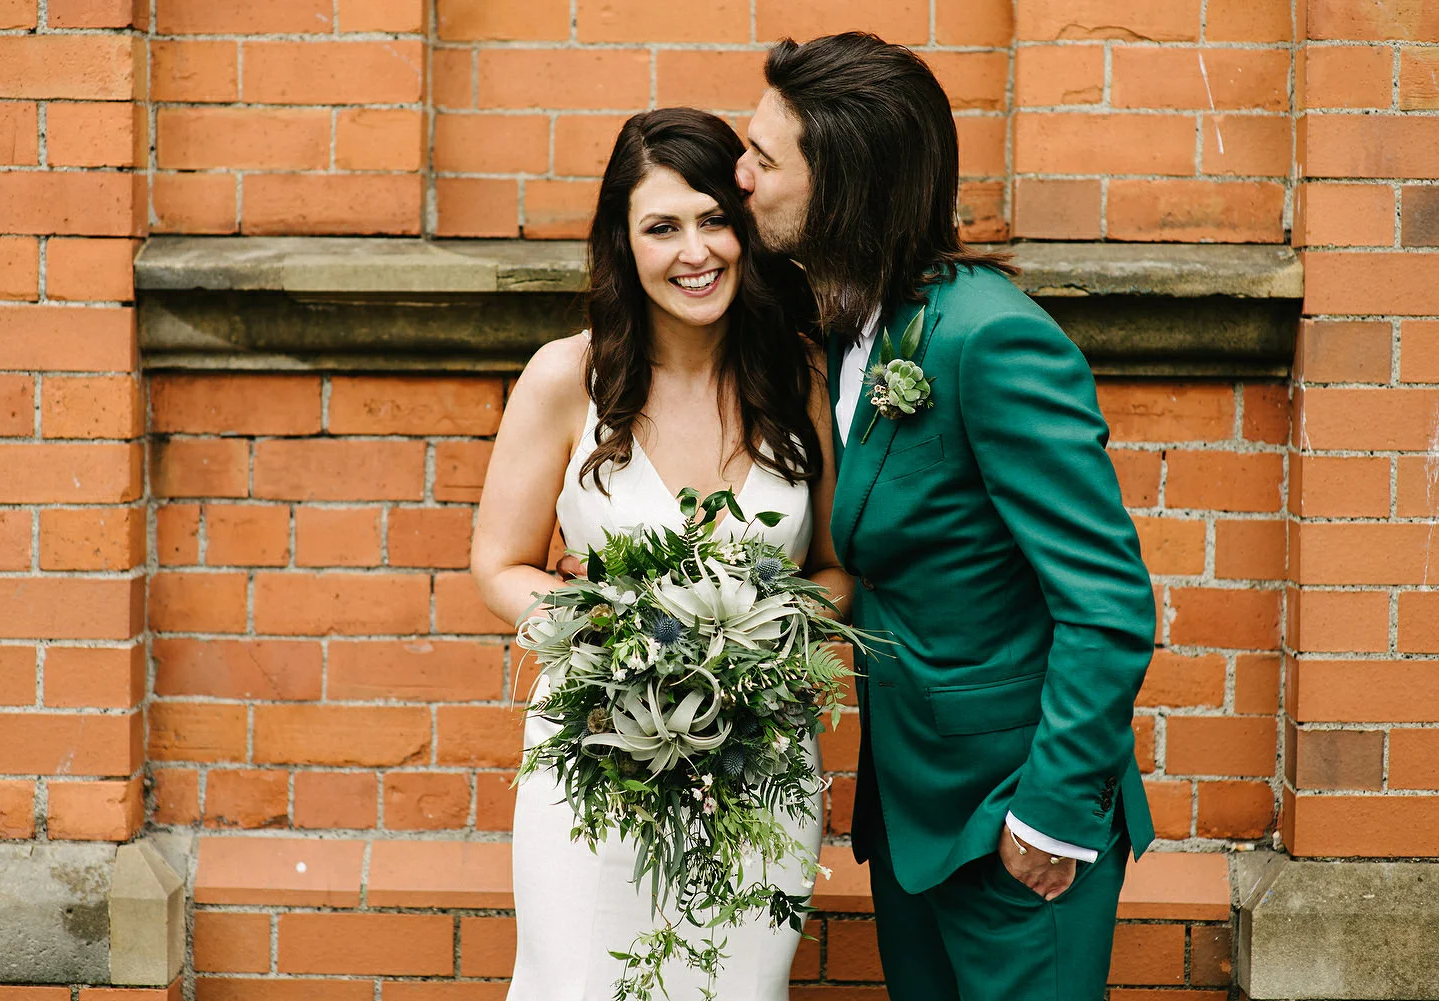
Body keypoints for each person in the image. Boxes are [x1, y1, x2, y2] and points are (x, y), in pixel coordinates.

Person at [734, 32, 1158, 1001]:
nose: (741, 176)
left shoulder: (991, 338)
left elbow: (1108, 600)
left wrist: (1048, 815)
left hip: (1012, 821)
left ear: (842, 182)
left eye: (765, 156)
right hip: (915, 812)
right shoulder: (853, 329)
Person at [471, 107, 850, 1001]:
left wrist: (757, 641)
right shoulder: (568, 378)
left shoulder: (802, 380)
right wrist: (621, 638)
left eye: (715, 218)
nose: (697, 251)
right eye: (663, 227)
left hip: (760, 769)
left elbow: (840, 567)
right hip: (594, 757)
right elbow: (498, 564)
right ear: (624, 243)